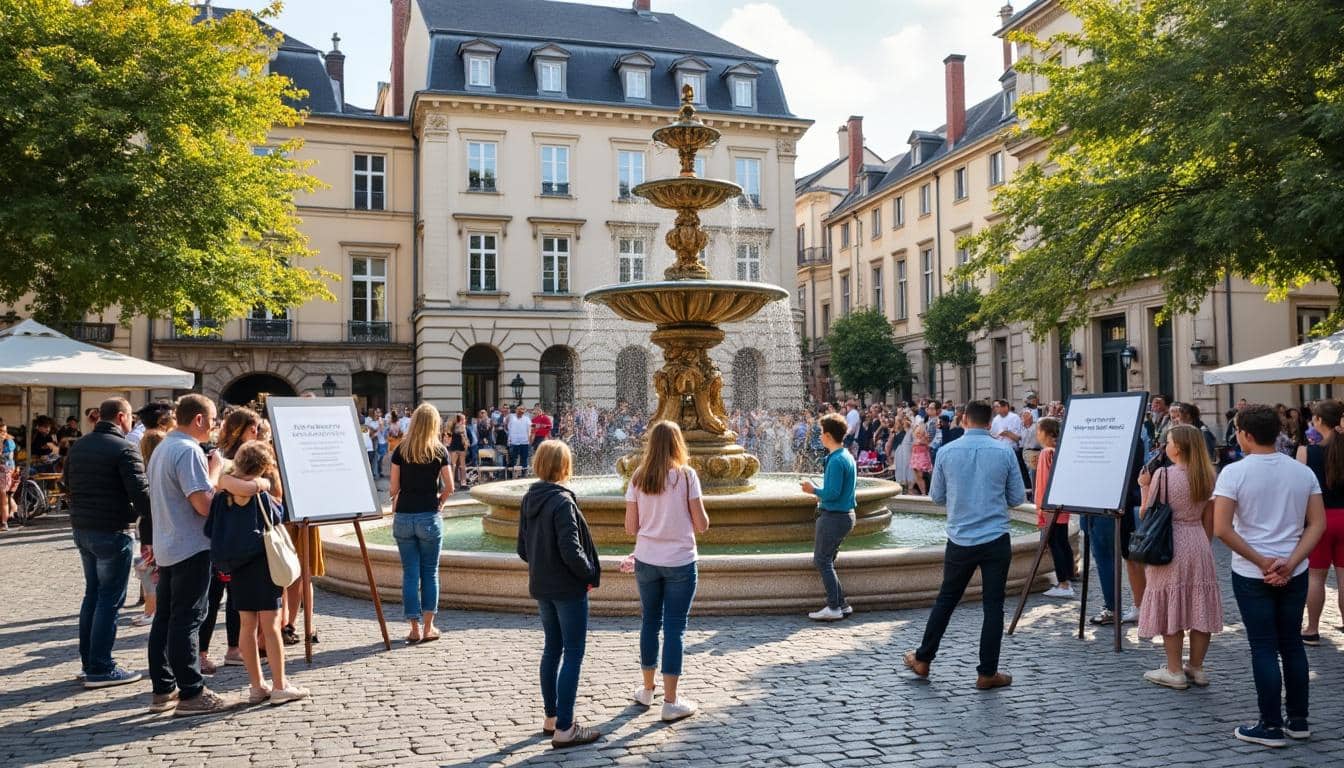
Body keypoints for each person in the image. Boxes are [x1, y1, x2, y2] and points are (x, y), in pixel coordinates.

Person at [1214, 403, 1325, 747]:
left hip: (1252, 571)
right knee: (1291, 643)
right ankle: (1299, 719)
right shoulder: (1301, 472)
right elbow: (1317, 524)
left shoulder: (1233, 473)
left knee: (1263, 646)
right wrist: (1290, 563)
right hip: (1294, 569)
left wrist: (1262, 562)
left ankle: (1270, 724)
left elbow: (1222, 528)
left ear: (1246, 435)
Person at [146, 394, 264, 717]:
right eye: (212, 420)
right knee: (187, 620)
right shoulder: (188, 451)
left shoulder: (163, 447)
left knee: (165, 619)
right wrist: (215, 474)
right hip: (190, 546)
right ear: (198, 419)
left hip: (169, 545)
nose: (214, 426)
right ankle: (192, 692)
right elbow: (203, 504)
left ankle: (164, 688)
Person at [904, 400, 1022, 690]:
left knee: (946, 599)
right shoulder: (1004, 451)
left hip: (960, 538)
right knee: (993, 606)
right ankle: (987, 673)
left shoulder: (946, 451)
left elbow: (936, 497)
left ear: (965, 420)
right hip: (995, 537)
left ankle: (923, 658)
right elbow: (1017, 498)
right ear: (990, 423)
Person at [204, 441, 309, 706]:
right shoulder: (260, 495)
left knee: (247, 625)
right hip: (262, 566)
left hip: (236, 568)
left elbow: (209, 529)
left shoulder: (222, 496)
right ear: (263, 467)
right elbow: (278, 516)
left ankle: (256, 686)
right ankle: (280, 685)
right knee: (271, 627)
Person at [516, 440, 601, 748]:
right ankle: (565, 727)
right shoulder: (563, 501)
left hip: (542, 586)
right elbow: (571, 549)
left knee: (552, 649)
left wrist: (543, 565)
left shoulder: (530, 498)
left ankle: (551, 718)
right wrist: (588, 574)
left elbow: (522, 548)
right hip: (567, 587)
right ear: (564, 466)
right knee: (573, 652)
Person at [623, 420, 709, 723]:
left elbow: (630, 527)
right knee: (675, 627)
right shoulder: (686, 476)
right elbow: (702, 524)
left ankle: (648, 690)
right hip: (681, 561)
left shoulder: (638, 477)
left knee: (650, 621)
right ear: (678, 444)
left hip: (647, 560)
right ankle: (671, 702)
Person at [63, 397, 151, 688]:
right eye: (131, 417)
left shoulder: (79, 445)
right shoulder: (124, 448)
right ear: (122, 416)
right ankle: (101, 667)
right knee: (109, 600)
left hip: (83, 527)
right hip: (112, 529)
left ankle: (89, 662)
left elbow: (66, 483)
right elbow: (141, 495)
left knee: (93, 595)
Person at [1136, 424, 1223, 690]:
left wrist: (1144, 487)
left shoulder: (1163, 475)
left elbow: (1146, 514)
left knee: (1170, 606)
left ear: (1180, 447)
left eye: (1169, 441)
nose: (1166, 445)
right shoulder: (1207, 475)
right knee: (1200, 605)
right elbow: (1209, 518)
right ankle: (1196, 667)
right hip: (1198, 543)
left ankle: (1174, 670)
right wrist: (1204, 545)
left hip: (1170, 543)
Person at [390, 403, 454, 644]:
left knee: (410, 573)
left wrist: (396, 497)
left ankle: (414, 629)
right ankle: (429, 628)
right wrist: (440, 502)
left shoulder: (401, 450)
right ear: (434, 424)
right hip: (428, 515)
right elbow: (450, 486)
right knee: (430, 572)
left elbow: (393, 488)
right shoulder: (439, 451)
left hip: (404, 517)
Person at [1296, 400, 1344, 645]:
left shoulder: (1306, 452)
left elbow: (1298, 490)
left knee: (1316, 578)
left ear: (1319, 421)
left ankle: (1312, 629)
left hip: (1319, 520)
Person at [802, 413, 857, 621]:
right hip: (845, 516)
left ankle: (834, 607)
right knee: (827, 560)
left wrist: (813, 490)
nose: (819, 436)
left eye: (821, 432)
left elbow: (833, 493)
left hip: (834, 517)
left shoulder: (836, 460)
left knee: (822, 560)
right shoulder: (845, 455)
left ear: (827, 436)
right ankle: (842, 604)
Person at [1034, 417, 1074, 599]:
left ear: (1046, 432)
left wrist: (1042, 507)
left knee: (1055, 543)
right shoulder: (1061, 450)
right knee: (1062, 541)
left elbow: (1044, 482)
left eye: (1038, 430)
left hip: (1051, 506)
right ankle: (1069, 576)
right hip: (1062, 504)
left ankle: (1063, 584)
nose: (1037, 434)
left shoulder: (1046, 453)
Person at [506, 405, 533, 477]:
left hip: (524, 442)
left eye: (522, 410)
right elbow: (506, 426)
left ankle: (523, 475)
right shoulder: (511, 417)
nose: (520, 411)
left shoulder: (527, 419)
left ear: (524, 411)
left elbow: (530, 429)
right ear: (516, 410)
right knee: (512, 459)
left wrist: (530, 439)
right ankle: (511, 475)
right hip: (514, 442)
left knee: (524, 459)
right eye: (519, 409)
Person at [909, 422, 933, 495]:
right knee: (917, 476)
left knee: (920, 476)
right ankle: (921, 492)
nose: (918, 434)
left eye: (919, 432)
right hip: (915, 458)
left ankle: (924, 492)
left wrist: (922, 441)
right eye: (917, 432)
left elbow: (927, 445)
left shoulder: (925, 438)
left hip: (922, 459)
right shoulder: (915, 439)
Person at [447, 412, 469, 487]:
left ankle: (452, 483)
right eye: (464, 419)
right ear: (461, 419)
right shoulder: (462, 427)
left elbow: (449, 436)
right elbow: (465, 437)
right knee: (462, 466)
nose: (465, 420)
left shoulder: (452, 427)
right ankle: (463, 482)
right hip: (461, 447)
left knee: (453, 466)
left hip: (454, 447)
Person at [0, 422, 14, 531]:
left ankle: (4, 522)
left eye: (5, 431)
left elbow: (8, 460)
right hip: (5, 471)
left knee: (3, 497)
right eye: (2, 431)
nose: (4, 433)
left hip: (4, 472)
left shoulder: (8, 443)